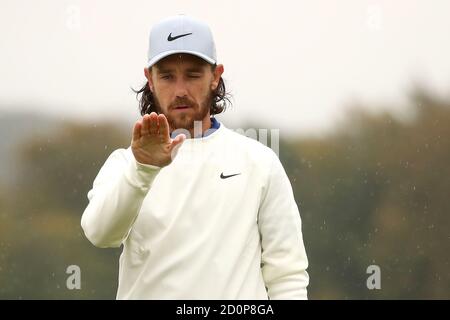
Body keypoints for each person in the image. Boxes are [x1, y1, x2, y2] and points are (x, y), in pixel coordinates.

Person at [81, 14, 309, 300]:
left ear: (215, 76)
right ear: (149, 79)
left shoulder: (259, 162)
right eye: (166, 76)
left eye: (193, 74)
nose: (180, 90)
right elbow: (101, 234)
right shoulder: (126, 164)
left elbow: (287, 275)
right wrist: (143, 170)